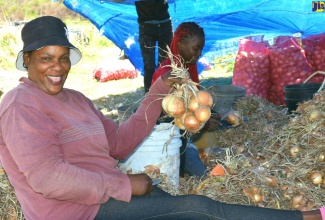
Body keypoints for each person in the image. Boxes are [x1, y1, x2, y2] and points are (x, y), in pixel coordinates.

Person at [0, 16, 322, 220]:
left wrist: (158, 92)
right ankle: (308, 218)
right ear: (27, 59)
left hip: (102, 196)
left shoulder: (77, 99)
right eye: (45, 59)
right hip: (75, 211)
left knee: (176, 204)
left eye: (62, 59)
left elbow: (120, 144)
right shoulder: (20, 105)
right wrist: (123, 184)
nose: (57, 68)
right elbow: (49, 179)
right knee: (199, 210)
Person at [151, 22, 220, 177]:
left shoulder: (187, 67)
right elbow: (166, 117)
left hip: (185, 133)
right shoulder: (167, 73)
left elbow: (193, 104)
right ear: (181, 44)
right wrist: (201, 123)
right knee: (198, 169)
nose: (199, 53)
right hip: (170, 138)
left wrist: (205, 118)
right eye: (196, 49)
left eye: (201, 49)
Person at [135, 0, 173, 93]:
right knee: (149, 66)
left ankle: (165, 97)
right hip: (146, 27)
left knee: (165, 64)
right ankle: (149, 99)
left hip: (165, 25)